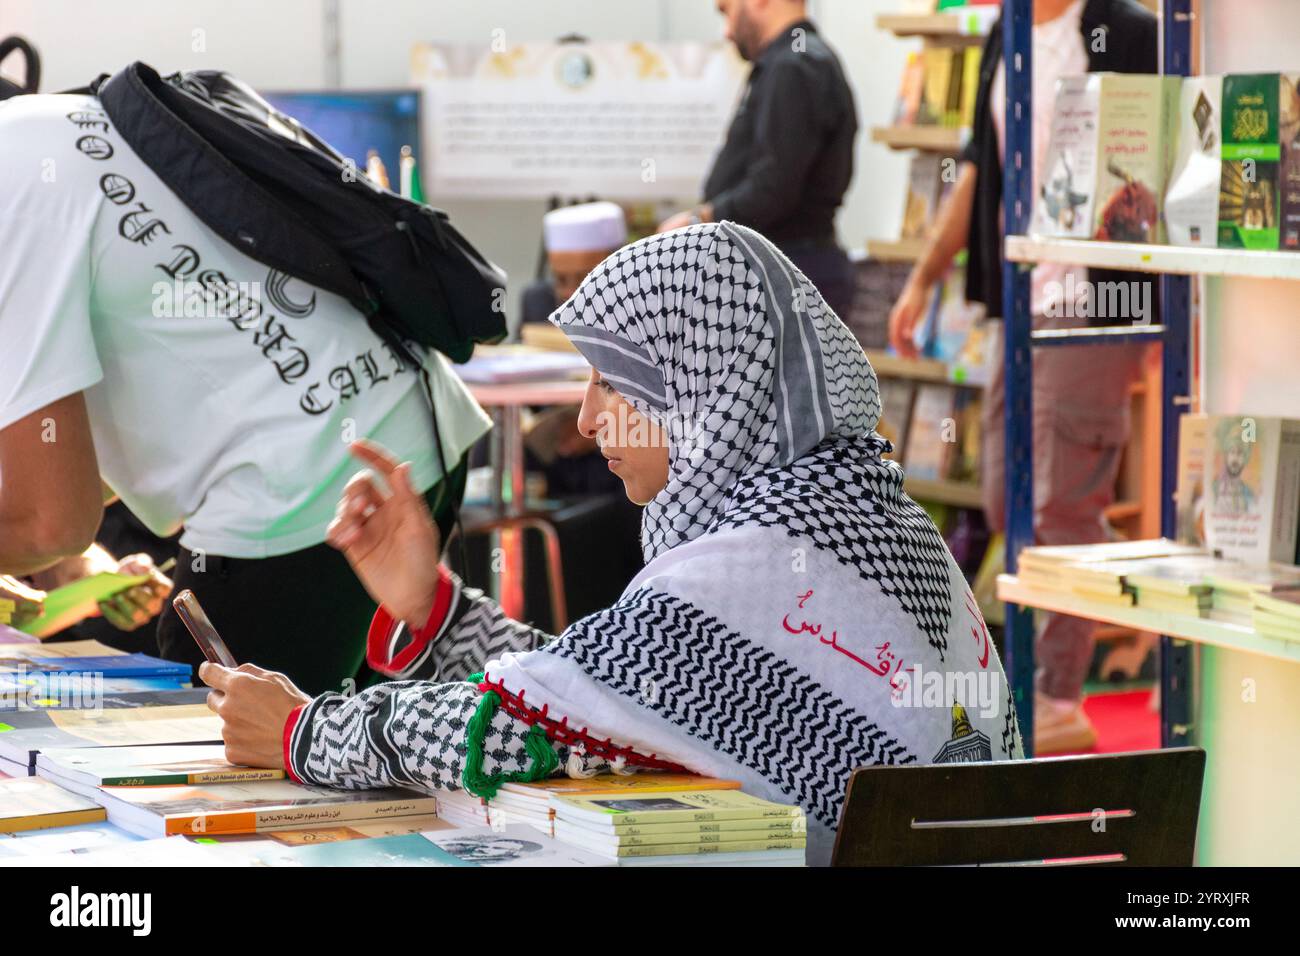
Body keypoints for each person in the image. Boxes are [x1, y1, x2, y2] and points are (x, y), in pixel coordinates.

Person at [202, 223, 1022, 867]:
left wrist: (303, 732)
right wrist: (433, 607)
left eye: (612, 382)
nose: (589, 419)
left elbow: (511, 730)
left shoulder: (758, 565)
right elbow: (611, 698)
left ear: (703, 389)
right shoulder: (865, 519)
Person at [0, 90, 489, 694]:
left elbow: (52, 522)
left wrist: (39, 539)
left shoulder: (12, 203)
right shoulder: (43, 132)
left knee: (210, 731)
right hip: (409, 418)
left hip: (310, 479)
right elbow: (71, 465)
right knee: (350, 738)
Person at [887, 0, 1158, 753]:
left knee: (1061, 503)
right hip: (1018, 302)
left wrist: (1179, 307)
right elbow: (977, 168)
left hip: (1100, 303)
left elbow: (1162, 176)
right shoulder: (1005, 33)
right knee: (1008, 497)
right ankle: (1091, 601)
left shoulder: (1129, 33)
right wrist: (923, 279)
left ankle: (1057, 697)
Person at [657, 0, 858, 318]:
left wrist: (700, 220)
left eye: (726, 10)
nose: (726, 32)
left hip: (787, 273)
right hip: (781, 269)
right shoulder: (792, 62)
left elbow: (775, 186)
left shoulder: (795, 66)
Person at [520, 201, 628, 326]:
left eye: (583, 280)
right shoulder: (538, 300)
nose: (570, 294)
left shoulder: (636, 303)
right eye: (561, 280)